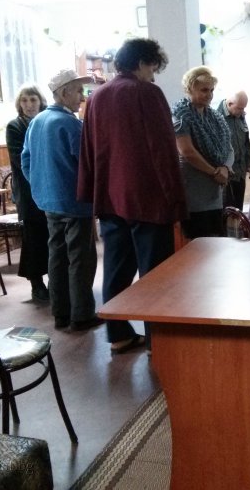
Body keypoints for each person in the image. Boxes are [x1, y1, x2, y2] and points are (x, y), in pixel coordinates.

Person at [78, 38, 187, 354]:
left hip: (111, 197)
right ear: (141, 63)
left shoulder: (97, 97)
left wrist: (92, 191)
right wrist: (175, 198)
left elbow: (89, 149)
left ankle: (118, 335)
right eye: (152, 67)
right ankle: (157, 341)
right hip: (148, 198)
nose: (153, 74)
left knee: (116, 269)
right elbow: (162, 149)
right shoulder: (147, 93)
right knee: (156, 274)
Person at [22, 69, 101, 332]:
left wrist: (40, 186)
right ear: (64, 92)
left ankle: (60, 313)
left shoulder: (37, 121)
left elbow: (26, 160)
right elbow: (88, 164)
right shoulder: (70, 124)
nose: (82, 97)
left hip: (48, 201)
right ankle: (82, 315)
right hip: (75, 203)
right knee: (80, 259)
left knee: (56, 256)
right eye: (78, 91)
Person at [172, 66, 234, 238]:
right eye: (204, 90)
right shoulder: (180, 115)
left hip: (215, 189)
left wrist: (225, 168)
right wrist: (214, 172)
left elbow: (229, 148)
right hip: (194, 190)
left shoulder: (215, 117)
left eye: (212, 90)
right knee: (198, 242)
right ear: (189, 89)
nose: (209, 95)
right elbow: (186, 151)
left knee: (217, 241)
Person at [5, 84, 50, 302]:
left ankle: (55, 280)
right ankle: (36, 284)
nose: (29, 104)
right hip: (27, 189)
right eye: (24, 100)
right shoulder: (15, 126)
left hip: (49, 187)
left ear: (40, 102)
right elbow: (19, 158)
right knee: (33, 237)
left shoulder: (46, 121)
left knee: (51, 235)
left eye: (33, 100)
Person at [217, 91, 250, 210]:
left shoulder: (240, 115)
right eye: (239, 108)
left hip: (240, 172)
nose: (242, 111)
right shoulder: (216, 117)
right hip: (226, 173)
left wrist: (248, 164)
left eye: (243, 108)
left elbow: (246, 141)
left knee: (238, 210)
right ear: (230, 104)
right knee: (227, 210)